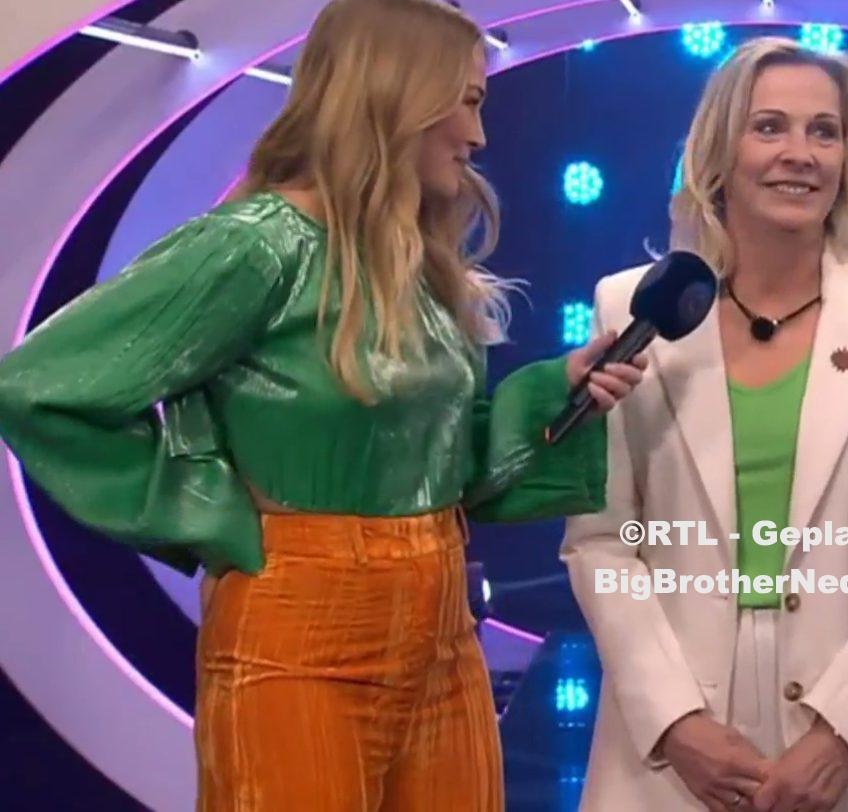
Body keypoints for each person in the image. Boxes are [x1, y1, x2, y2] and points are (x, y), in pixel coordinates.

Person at [0, 0, 646, 808]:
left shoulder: (410, 259)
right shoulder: (256, 244)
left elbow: (440, 461)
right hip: (298, 632)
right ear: (397, 95)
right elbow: (39, 388)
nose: (479, 135)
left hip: (442, 632)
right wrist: (205, 508)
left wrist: (560, 389)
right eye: (467, 101)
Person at [561, 36, 848, 812]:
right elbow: (598, 541)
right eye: (769, 127)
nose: (800, 154)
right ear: (719, 152)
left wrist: (840, 735)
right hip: (675, 736)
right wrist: (677, 723)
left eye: (824, 132)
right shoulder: (633, 308)